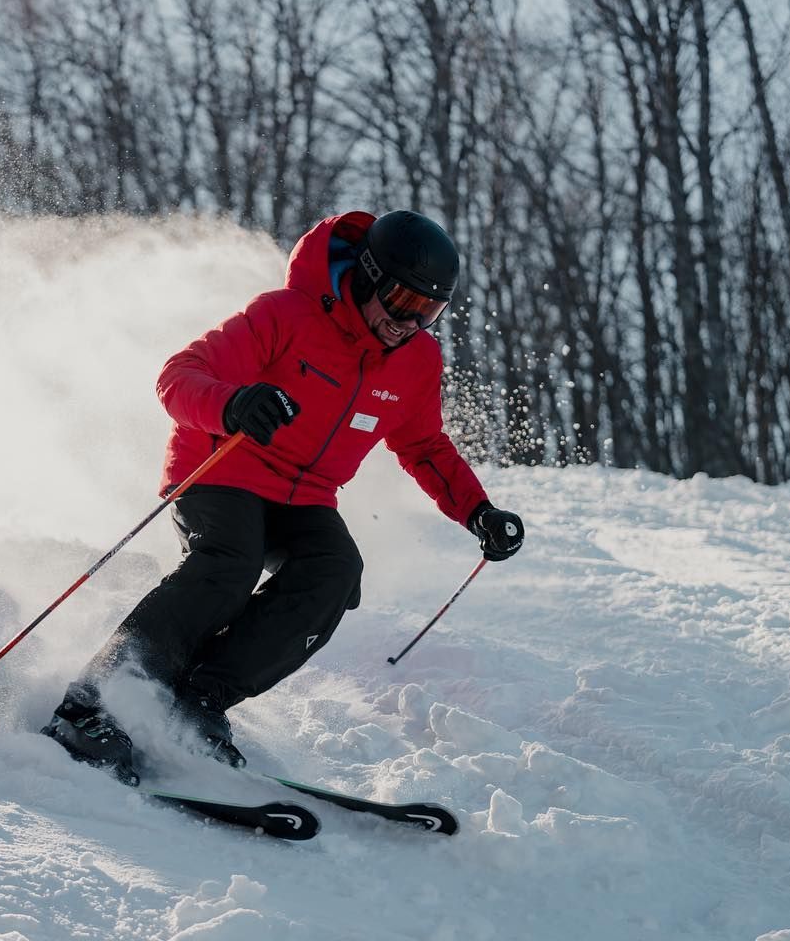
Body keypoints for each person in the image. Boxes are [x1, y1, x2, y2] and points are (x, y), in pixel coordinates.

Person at [42, 209, 525, 785]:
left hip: (308, 495)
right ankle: (89, 706)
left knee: (336, 572)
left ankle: (197, 700)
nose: (407, 322)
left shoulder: (416, 361)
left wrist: (478, 511)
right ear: (368, 276)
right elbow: (179, 375)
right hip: (223, 466)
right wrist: (233, 403)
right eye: (400, 300)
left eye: (428, 311)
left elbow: (423, 445)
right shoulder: (286, 315)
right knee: (230, 563)